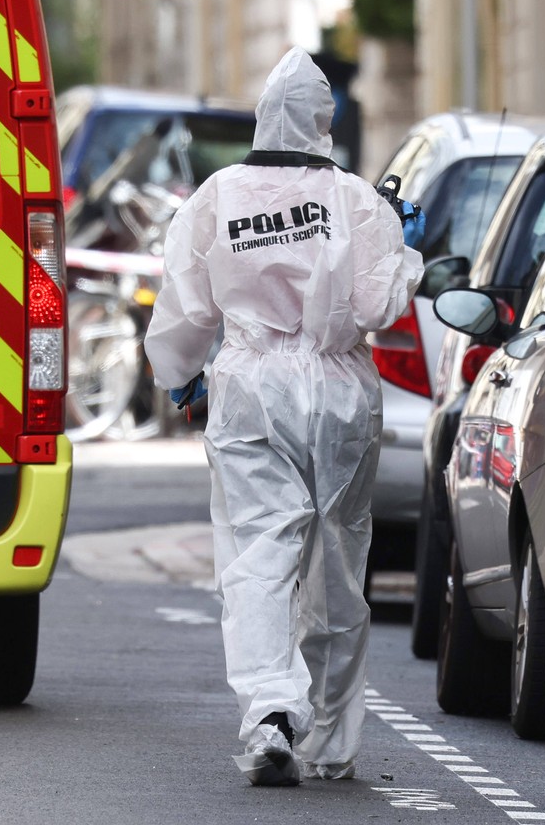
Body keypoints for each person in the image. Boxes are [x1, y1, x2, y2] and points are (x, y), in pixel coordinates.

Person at [145, 49, 420, 786]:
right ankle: (329, 742)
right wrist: (402, 245)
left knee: (259, 553)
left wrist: (177, 370)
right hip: (337, 393)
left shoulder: (217, 195)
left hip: (250, 390)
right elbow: (377, 308)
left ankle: (270, 711)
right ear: (325, 123)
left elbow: (185, 303)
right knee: (336, 568)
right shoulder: (357, 200)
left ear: (265, 115)